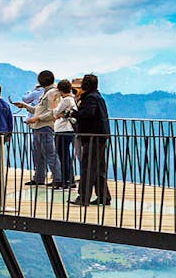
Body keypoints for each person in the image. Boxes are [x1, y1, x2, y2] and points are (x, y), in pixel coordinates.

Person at [68, 74, 111, 206]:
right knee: (98, 167)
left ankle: (83, 197)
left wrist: (74, 113)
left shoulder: (90, 98)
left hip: (92, 137)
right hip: (101, 136)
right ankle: (104, 196)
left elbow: (88, 114)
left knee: (88, 167)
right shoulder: (98, 97)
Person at [14, 70, 59, 186]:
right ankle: (39, 178)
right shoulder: (46, 92)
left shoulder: (52, 93)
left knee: (49, 153)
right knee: (38, 154)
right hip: (38, 127)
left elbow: (53, 112)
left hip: (45, 127)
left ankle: (58, 179)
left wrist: (37, 118)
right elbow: (38, 109)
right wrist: (25, 106)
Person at [41, 78, 78, 190]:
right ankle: (69, 180)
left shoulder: (66, 100)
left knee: (62, 156)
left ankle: (65, 180)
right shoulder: (71, 99)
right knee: (65, 155)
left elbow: (56, 112)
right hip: (66, 130)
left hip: (63, 130)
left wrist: (53, 103)